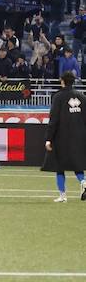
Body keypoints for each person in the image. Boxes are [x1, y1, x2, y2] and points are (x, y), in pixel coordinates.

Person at [41, 71, 86, 202]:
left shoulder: (58, 97)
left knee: (59, 166)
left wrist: (48, 138)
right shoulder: (82, 97)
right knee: (77, 164)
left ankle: (62, 195)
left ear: (62, 81)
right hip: (79, 137)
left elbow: (53, 119)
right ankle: (83, 182)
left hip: (62, 137)